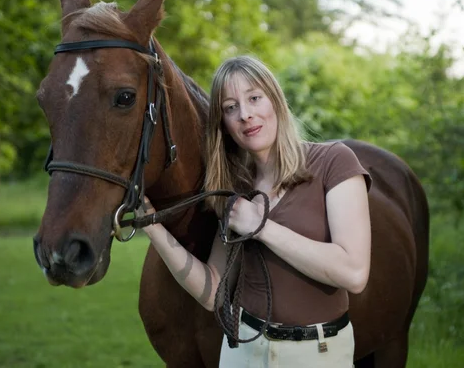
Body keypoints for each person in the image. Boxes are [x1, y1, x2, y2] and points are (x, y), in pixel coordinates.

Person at [141, 55, 372, 367]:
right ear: (223, 124)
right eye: (230, 107)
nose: (245, 115)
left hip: (318, 354)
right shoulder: (234, 188)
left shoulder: (333, 162)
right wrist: (154, 226)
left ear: (274, 99)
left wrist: (260, 226)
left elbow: (354, 273)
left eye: (254, 98)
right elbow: (213, 292)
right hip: (242, 352)